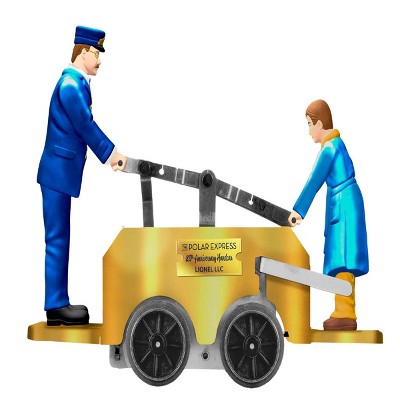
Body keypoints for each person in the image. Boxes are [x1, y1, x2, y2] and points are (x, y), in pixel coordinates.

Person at [37, 26, 127, 326]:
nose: (99, 61)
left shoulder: (76, 83)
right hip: (56, 172)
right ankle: (56, 306)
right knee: (57, 238)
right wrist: (111, 154)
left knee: (59, 236)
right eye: (96, 54)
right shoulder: (69, 87)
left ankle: (57, 302)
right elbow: (85, 125)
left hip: (60, 171)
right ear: (83, 52)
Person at [288, 99, 368, 331]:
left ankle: (345, 313)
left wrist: (298, 211)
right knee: (343, 256)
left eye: (309, 124)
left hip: (344, 205)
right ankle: (344, 310)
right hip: (345, 202)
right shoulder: (336, 144)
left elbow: (314, 180)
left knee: (343, 256)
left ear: (320, 123)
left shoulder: (330, 149)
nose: (308, 131)